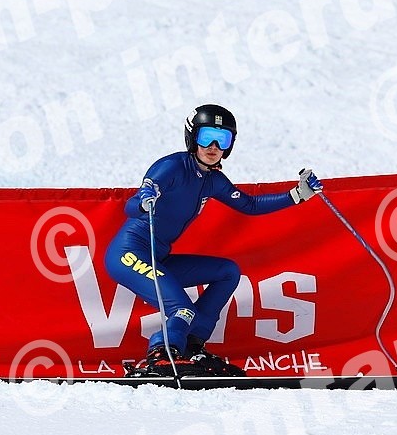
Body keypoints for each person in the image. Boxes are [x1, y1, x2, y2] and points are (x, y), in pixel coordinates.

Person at [103, 104, 323, 378]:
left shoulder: (213, 180)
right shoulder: (172, 167)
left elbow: (250, 205)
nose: (214, 147)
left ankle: (192, 344)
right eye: (207, 137)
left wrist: (297, 195)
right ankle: (161, 354)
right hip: (128, 255)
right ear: (192, 137)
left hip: (158, 258)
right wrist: (143, 202)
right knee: (181, 309)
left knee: (227, 272)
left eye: (223, 139)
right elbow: (130, 207)